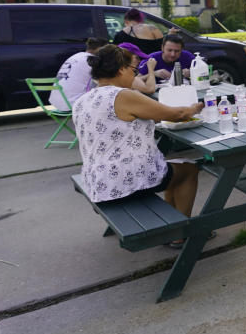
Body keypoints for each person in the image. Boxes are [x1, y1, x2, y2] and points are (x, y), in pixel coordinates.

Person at [72, 45, 203, 246]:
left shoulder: (83, 100)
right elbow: (178, 115)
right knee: (189, 169)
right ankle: (179, 233)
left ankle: (171, 224)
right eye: (133, 71)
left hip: (97, 180)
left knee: (171, 169)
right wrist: (195, 107)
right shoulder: (123, 95)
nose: (134, 77)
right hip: (123, 182)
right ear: (121, 70)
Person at [50, 37, 106, 111]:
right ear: (100, 49)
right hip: (73, 103)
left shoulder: (76, 56)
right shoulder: (91, 60)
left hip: (57, 101)